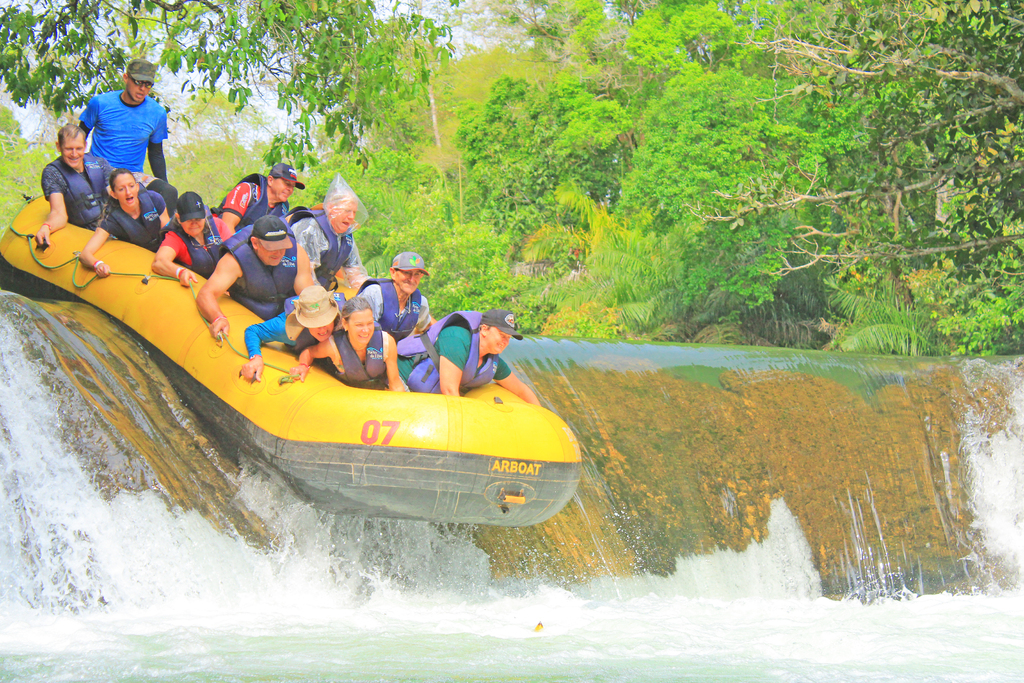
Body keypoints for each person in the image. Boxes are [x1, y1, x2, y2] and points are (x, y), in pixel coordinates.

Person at [196, 215, 315, 338]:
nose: (279, 253)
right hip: (248, 316)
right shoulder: (234, 261)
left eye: (282, 246)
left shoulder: (297, 253)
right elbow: (205, 294)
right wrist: (217, 318)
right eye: (272, 248)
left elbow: (308, 295)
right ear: (255, 243)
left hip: (282, 317)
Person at [396, 309, 539, 405]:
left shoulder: (493, 362)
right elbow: (449, 390)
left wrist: (541, 414)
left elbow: (521, 390)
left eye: (508, 338)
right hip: (402, 382)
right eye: (502, 335)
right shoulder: (457, 339)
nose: (505, 342)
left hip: (426, 397)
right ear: (484, 329)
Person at [78, 58, 168, 183]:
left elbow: (156, 153)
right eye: (138, 82)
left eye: (147, 84)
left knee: (168, 191)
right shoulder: (100, 103)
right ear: (126, 78)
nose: (142, 88)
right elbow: (78, 137)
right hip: (98, 170)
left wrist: (164, 186)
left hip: (133, 176)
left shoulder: (157, 113)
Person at [239, 285, 344, 383]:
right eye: (314, 323)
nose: (322, 329)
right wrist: (255, 357)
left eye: (326, 320)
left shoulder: (346, 321)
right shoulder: (285, 328)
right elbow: (253, 331)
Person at [297, 297, 404, 391]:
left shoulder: (387, 342)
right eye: (359, 325)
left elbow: (395, 384)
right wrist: (302, 366)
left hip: (380, 390)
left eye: (370, 323)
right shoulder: (332, 346)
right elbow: (310, 352)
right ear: (345, 324)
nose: (366, 330)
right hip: (350, 395)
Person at [79, 168, 171, 278]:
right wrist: (98, 264)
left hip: (165, 252)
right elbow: (85, 254)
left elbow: (169, 235)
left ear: (137, 187)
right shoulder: (111, 220)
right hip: (141, 258)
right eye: (121, 189)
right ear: (114, 194)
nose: (128, 192)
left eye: (131, 186)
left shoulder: (154, 199)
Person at [36, 124, 114, 247]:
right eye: (68, 149)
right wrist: (47, 227)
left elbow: (116, 195)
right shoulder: (53, 173)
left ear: (85, 146)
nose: (74, 154)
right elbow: (58, 213)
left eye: (79, 148)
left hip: (113, 224)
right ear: (58, 146)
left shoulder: (100, 164)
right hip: (86, 231)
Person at [288, 174, 367, 289]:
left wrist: (373, 290)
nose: (351, 217)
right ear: (330, 207)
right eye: (347, 210)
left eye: (354, 212)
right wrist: (321, 301)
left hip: (322, 290)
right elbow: (305, 276)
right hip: (296, 292)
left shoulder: (347, 237)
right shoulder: (310, 228)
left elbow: (354, 277)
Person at [151, 191, 234, 285]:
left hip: (225, 282)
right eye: (189, 220)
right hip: (199, 284)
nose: (194, 224)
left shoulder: (218, 226)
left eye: (198, 219)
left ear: (205, 214)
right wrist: (180, 272)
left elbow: (234, 256)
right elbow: (159, 262)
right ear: (178, 218)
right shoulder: (175, 237)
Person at [356, 251, 435, 341]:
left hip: (395, 352)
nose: (412, 279)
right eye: (407, 272)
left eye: (417, 274)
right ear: (393, 272)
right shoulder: (375, 294)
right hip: (365, 347)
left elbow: (428, 327)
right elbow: (358, 330)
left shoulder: (420, 303)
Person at [217, 163, 304, 232]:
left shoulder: (283, 208)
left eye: (293, 186)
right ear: (270, 180)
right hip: (222, 247)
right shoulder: (247, 190)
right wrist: (237, 253)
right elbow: (226, 226)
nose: (290, 189)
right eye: (286, 183)